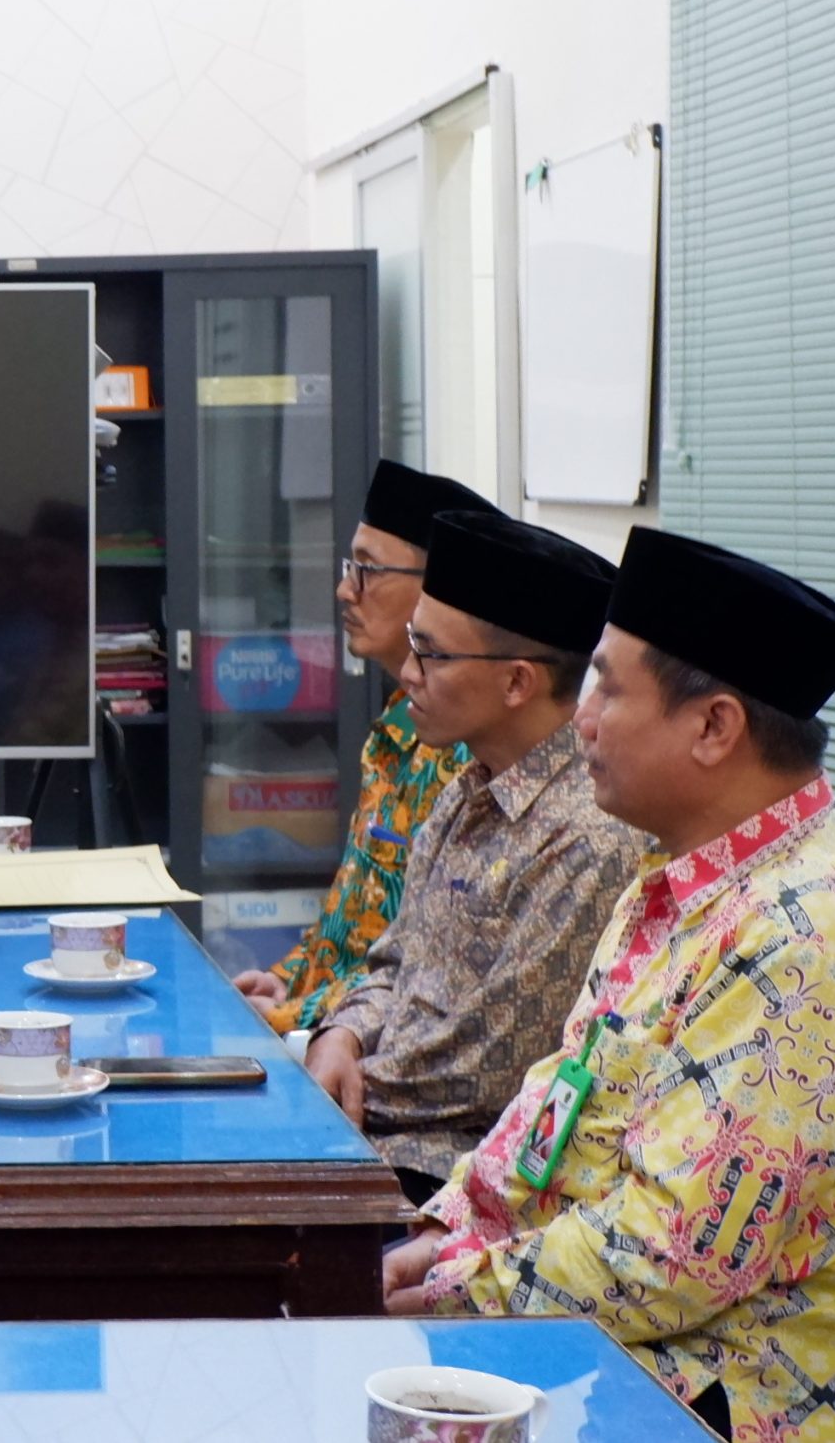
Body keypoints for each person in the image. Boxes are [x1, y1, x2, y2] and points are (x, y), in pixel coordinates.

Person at [387, 528, 835, 1443]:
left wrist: (450, 1285)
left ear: (714, 727)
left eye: (609, 687)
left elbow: (672, 1257)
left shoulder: (813, 936)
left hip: (700, 1399)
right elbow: (555, 1104)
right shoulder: (681, 882)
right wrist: (446, 1224)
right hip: (589, 1343)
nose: (580, 715)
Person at [304, 510, 646, 1203]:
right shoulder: (466, 792)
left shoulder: (586, 834)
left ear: (518, 682)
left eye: (431, 654)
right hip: (371, 1136)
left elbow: (493, 1064)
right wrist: (340, 1033)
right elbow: (395, 961)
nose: (406, 674)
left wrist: (336, 1078)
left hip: (454, 1180)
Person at [232, 460, 495, 1033]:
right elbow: (355, 910)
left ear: (434, 590)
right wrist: (290, 977)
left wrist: (286, 1016)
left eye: (369, 571)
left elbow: (421, 963)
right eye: (350, 565)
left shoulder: (463, 755)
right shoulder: (397, 725)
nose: (345, 589)